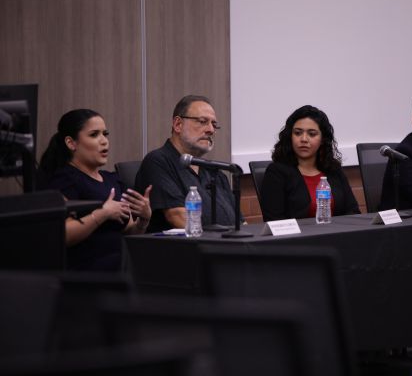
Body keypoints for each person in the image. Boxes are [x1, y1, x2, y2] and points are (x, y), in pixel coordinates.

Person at [38, 109, 152, 272]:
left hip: (121, 265)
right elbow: (63, 234)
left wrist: (143, 220)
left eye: (105, 134)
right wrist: (102, 213)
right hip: (87, 271)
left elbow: (128, 232)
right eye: (94, 135)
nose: (104, 141)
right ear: (71, 143)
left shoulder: (112, 179)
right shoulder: (64, 180)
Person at [135, 95, 237, 232]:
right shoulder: (158, 162)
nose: (211, 130)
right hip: (185, 249)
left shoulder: (214, 172)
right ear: (178, 125)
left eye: (214, 124)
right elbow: (178, 217)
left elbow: (240, 221)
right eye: (202, 121)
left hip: (225, 247)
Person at [260, 105, 360, 221]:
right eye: (297, 133)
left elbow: (353, 211)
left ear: (323, 139)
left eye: (312, 134)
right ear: (290, 137)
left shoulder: (333, 169)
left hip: (336, 236)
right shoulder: (277, 172)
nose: (303, 139)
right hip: (296, 238)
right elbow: (274, 221)